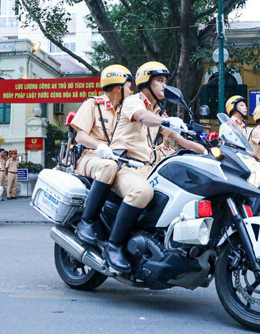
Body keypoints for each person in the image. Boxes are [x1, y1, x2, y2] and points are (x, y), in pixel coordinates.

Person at [106, 61, 204, 272]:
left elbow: (182, 140)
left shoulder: (158, 113)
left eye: (164, 81)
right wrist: (166, 123)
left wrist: (210, 149)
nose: (163, 86)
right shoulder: (134, 102)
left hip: (147, 169)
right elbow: (142, 117)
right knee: (142, 191)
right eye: (159, 81)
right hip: (124, 166)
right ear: (146, 83)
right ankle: (113, 245)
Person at [70, 64, 133, 245]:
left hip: (119, 160)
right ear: (118, 87)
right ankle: (86, 221)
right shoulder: (93, 104)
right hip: (92, 157)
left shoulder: (126, 111)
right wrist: (99, 146)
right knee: (108, 166)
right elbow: (80, 135)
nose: (131, 89)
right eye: (129, 85)